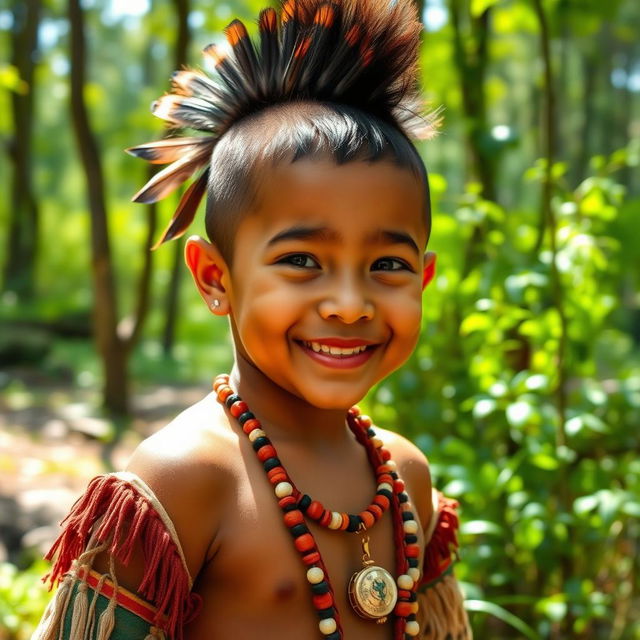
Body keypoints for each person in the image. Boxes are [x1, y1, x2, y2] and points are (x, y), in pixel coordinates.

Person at [33, 1, 472, 639]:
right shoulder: (181, 482)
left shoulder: (406, 479)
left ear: (424, 279)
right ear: (216, 278)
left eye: (388, 265)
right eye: (301, 260)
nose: (350, 303)